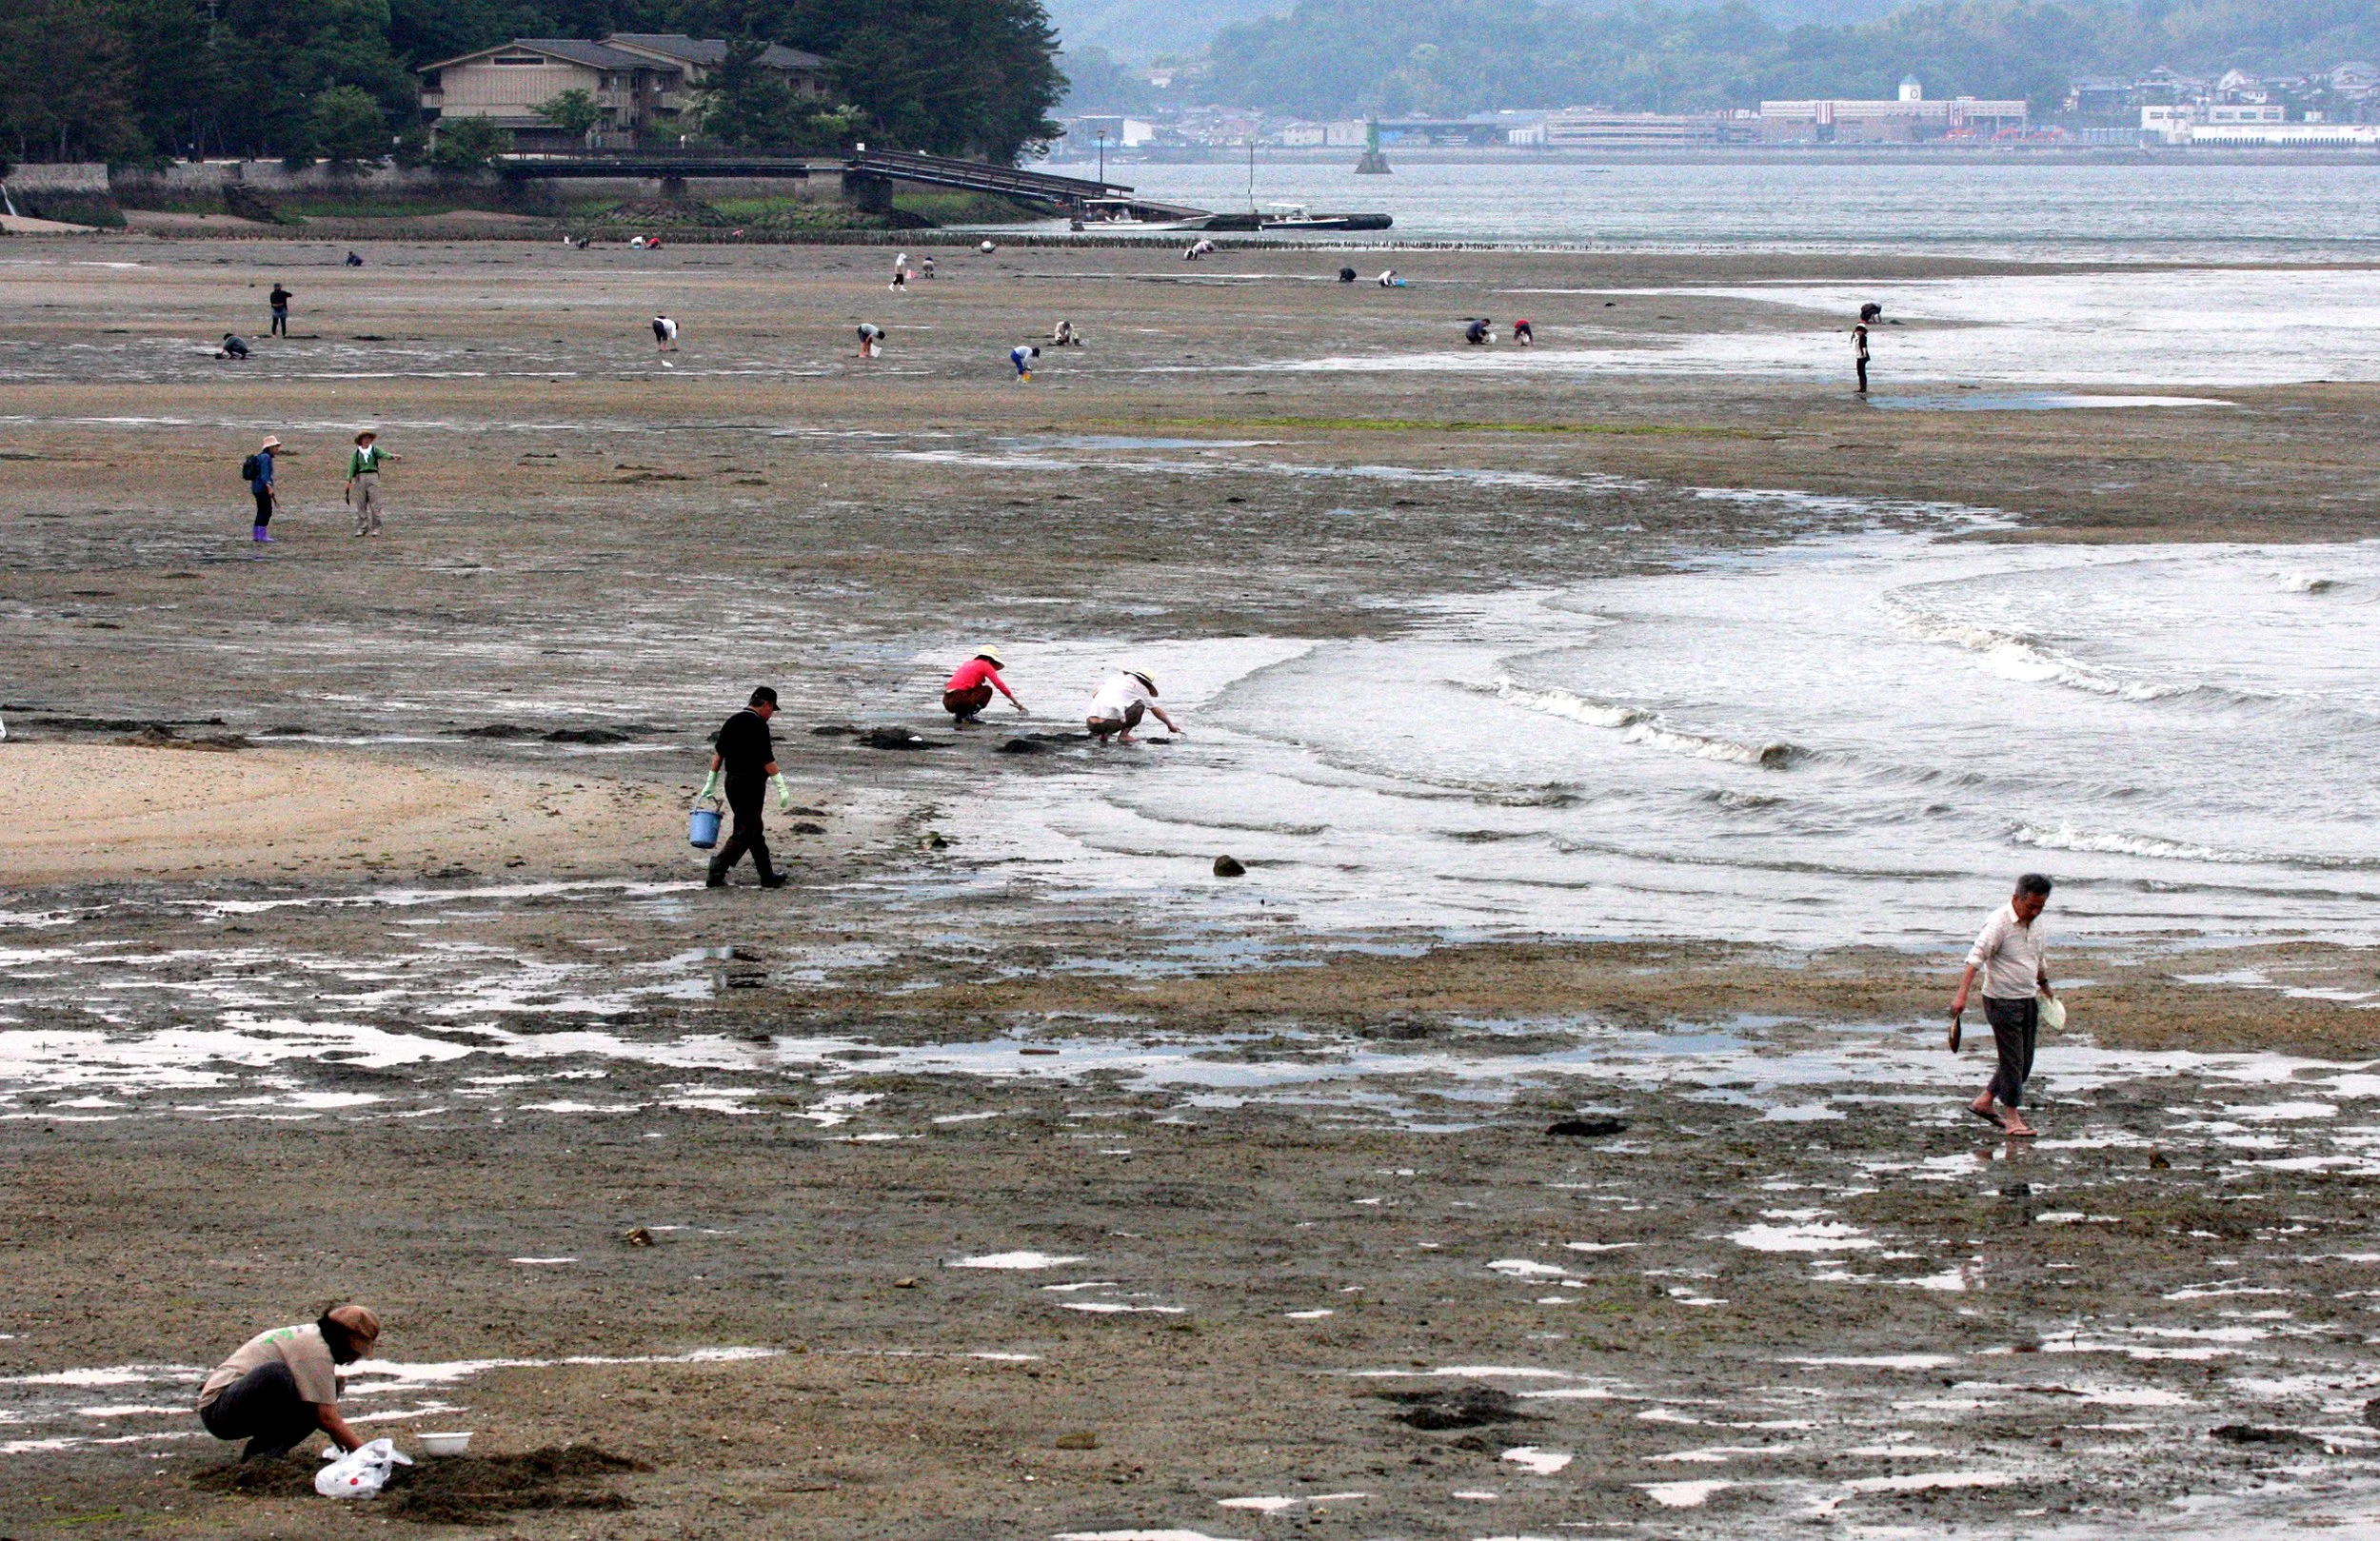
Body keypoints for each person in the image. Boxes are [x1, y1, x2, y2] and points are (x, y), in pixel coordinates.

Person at [196, 1305, 381, 1462]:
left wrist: (344, 1441)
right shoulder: (315, 1351)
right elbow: (327, 1418)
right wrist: (366, 1456)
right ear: (343, 1340)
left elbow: (322, 1416)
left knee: (325, 1389)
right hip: (218, 1410)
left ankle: (263, 1453)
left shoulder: (315, 1339)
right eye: (355, 1351)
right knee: (277, 1374)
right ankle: (265, 1453)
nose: (354, 1358)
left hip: (234, 1403)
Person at [1949, 874, 2056, 1137]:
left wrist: (2045, 986)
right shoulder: (1998, 924)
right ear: (2016, 898)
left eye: (2041, 906)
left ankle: (1984, 1101)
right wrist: (1961, 996)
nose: (2035, 911)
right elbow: (1974, 959)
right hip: (2001, 1001)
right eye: (2031, 905)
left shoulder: (2037, 924)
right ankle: (2012, 1119)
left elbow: (2038, 958)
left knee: (2025, 1061)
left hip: (2027, 997)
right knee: (2012, 1061)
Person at [697, 686, 792, 889]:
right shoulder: (758, 725)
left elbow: (718, 754)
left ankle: (767, 876)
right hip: (751, 783)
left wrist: (711, 781)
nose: (771, 715)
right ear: (766, 704)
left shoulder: (732, 721)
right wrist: (781, 785)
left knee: (754, 829)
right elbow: (767, 759)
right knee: (746, 830)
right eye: (772, 709)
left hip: (732, 781)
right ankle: (718, 866)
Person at [1086, 668, 1181, 745]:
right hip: (1108, 724)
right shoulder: (1140, 687)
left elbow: (1095, 695)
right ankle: (1124, 735)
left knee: (1113, 706)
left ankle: (1103, 735)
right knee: (1140, 705)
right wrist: (1170, 725)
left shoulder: (1115, 679)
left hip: (1091, 724)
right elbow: (1155, 709)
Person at [942, 648, 1027, 727]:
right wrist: (1016, 702)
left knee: (977, 688)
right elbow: (999, 685)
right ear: (991, 660)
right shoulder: (985, 664)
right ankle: (967, 716)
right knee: (987, 690)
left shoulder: (968, 663)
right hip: (960, 699)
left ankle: (960, 715)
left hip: (947, 700)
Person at [346, 430, 400, 538]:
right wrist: (349, 480)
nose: (366, 440)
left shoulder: (375, 450)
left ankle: (376, 528)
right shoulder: (356, 453)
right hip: (360, 478)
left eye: (368, 438)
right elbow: (352, 467)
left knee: (375, 504)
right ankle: (362, 528)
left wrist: (393, 457)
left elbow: (384, 454)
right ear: (360, 440)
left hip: (373, 477)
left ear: (371, 440)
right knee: (361, 504)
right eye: (364, 438)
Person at [244, 435, 279, 544]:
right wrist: (269, 487)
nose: (277, 449)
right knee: (266, 511)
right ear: (270, 447)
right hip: (262, 488)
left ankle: (257, 535)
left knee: (261, 511)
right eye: (276, 446)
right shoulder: (266, 458)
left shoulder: (261, 457)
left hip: (256, 487)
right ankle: (261, 535)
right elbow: (264, 474)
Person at [1853, 322, 1871, 394]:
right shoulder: (1858, 337)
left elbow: (1864, 346)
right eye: (1858, 330)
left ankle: (1863, 388)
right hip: (1859, 356)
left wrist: (1864, 354)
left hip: (1862, 357)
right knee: (1860, 372)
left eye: (1860, 331)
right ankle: (1862, 387)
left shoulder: (1863, 337)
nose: (1858, 332)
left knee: (1861, 372)